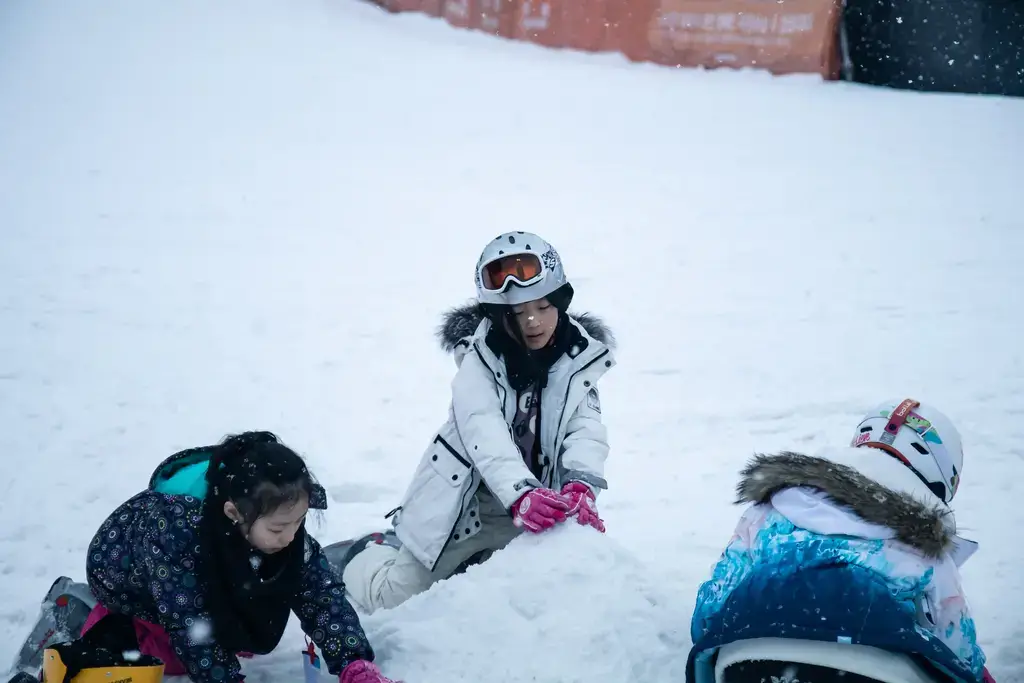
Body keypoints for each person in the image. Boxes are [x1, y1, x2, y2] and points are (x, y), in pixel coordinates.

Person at [332, 231, 616, 614]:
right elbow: (484, 429)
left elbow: (586, 428)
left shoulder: (580, 358)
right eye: (517, 313)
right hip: (462, 506)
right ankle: (364, 553)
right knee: (391, 600)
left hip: (533, 506)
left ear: (561, 302)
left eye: (543, 306)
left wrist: (581, 482)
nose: (532, 321)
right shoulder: (477, 359)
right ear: (499, 317)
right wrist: (520, 493)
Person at [686, 398, 994, 683]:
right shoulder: (927, 543)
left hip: (749, 655)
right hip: (869, 669)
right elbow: (958, 650)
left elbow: (712, 606)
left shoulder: (771, 508)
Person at [83, 431, 401, 683]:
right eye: (279, 529)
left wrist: (354, 663)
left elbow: (320, 595)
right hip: (129, 579)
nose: (290, 537)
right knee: (176, 658)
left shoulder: (275, 522)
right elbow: (190, 625)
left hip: (212, 565)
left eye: (299, 522)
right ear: (234, 513)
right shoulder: (177, 535)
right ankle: (108, 623)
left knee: (249, 613)